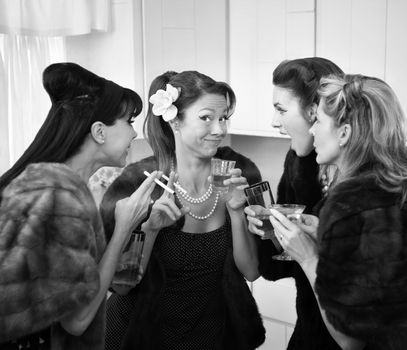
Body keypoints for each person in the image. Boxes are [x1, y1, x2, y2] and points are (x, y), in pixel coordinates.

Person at [269, 74, 407, 350]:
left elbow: (349, 339)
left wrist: (309, 256)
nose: (312, 130)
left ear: (345, 133)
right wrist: (327, 236)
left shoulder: (349, 204)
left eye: (319, 121)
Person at [0, 63, 172, 350]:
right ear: (99, 132)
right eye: (129, 122)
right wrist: (123, 228)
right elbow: (78, 320)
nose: (133, 134)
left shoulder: (48, 184)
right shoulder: (62, 196)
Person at [100, 70, 265, 350]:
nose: (219, 130)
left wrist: (237, 211)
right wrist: (150, 229)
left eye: (223, 118)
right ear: (175, 119)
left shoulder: (240, 175)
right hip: (141, 334)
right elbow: (122, 285)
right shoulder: (140, 182)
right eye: (206, 118)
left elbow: (251, 272)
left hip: (213, 335)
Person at [244, 57, 343, 349]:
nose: (275, 122)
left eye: (281, 110)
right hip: (310, 332)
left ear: (315, 112)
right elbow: (279, 267)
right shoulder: (298, 163)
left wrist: (308, 249)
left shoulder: (362, 186)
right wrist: (270, 231)